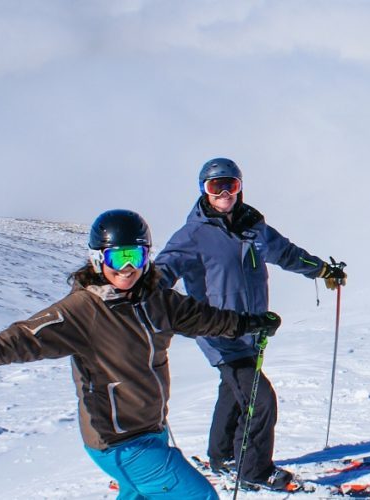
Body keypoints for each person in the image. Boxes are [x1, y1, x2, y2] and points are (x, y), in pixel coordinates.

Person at [0, 209, 282, 500]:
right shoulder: (82, 311)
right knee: (198, 497)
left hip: (151, 431)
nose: (126, 270)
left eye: (135, 257)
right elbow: (23, 338)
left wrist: (248, 323)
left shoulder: (157, 300)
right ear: (98, 259)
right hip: (118, 441)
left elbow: (205, 318)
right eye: (117, 258)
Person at [154, 157, 346, 492]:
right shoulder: (193, 235)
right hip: (219, 331)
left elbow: (287, 253)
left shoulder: (252, 227)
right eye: (217, 186)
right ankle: (254, 470)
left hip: (252, 330)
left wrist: (321, 270)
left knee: (233, 389)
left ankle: (222, 455)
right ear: (204, 191)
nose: (225, 191)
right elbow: (165, 269)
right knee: (260, 399)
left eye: (232, 184)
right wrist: (144, 292)